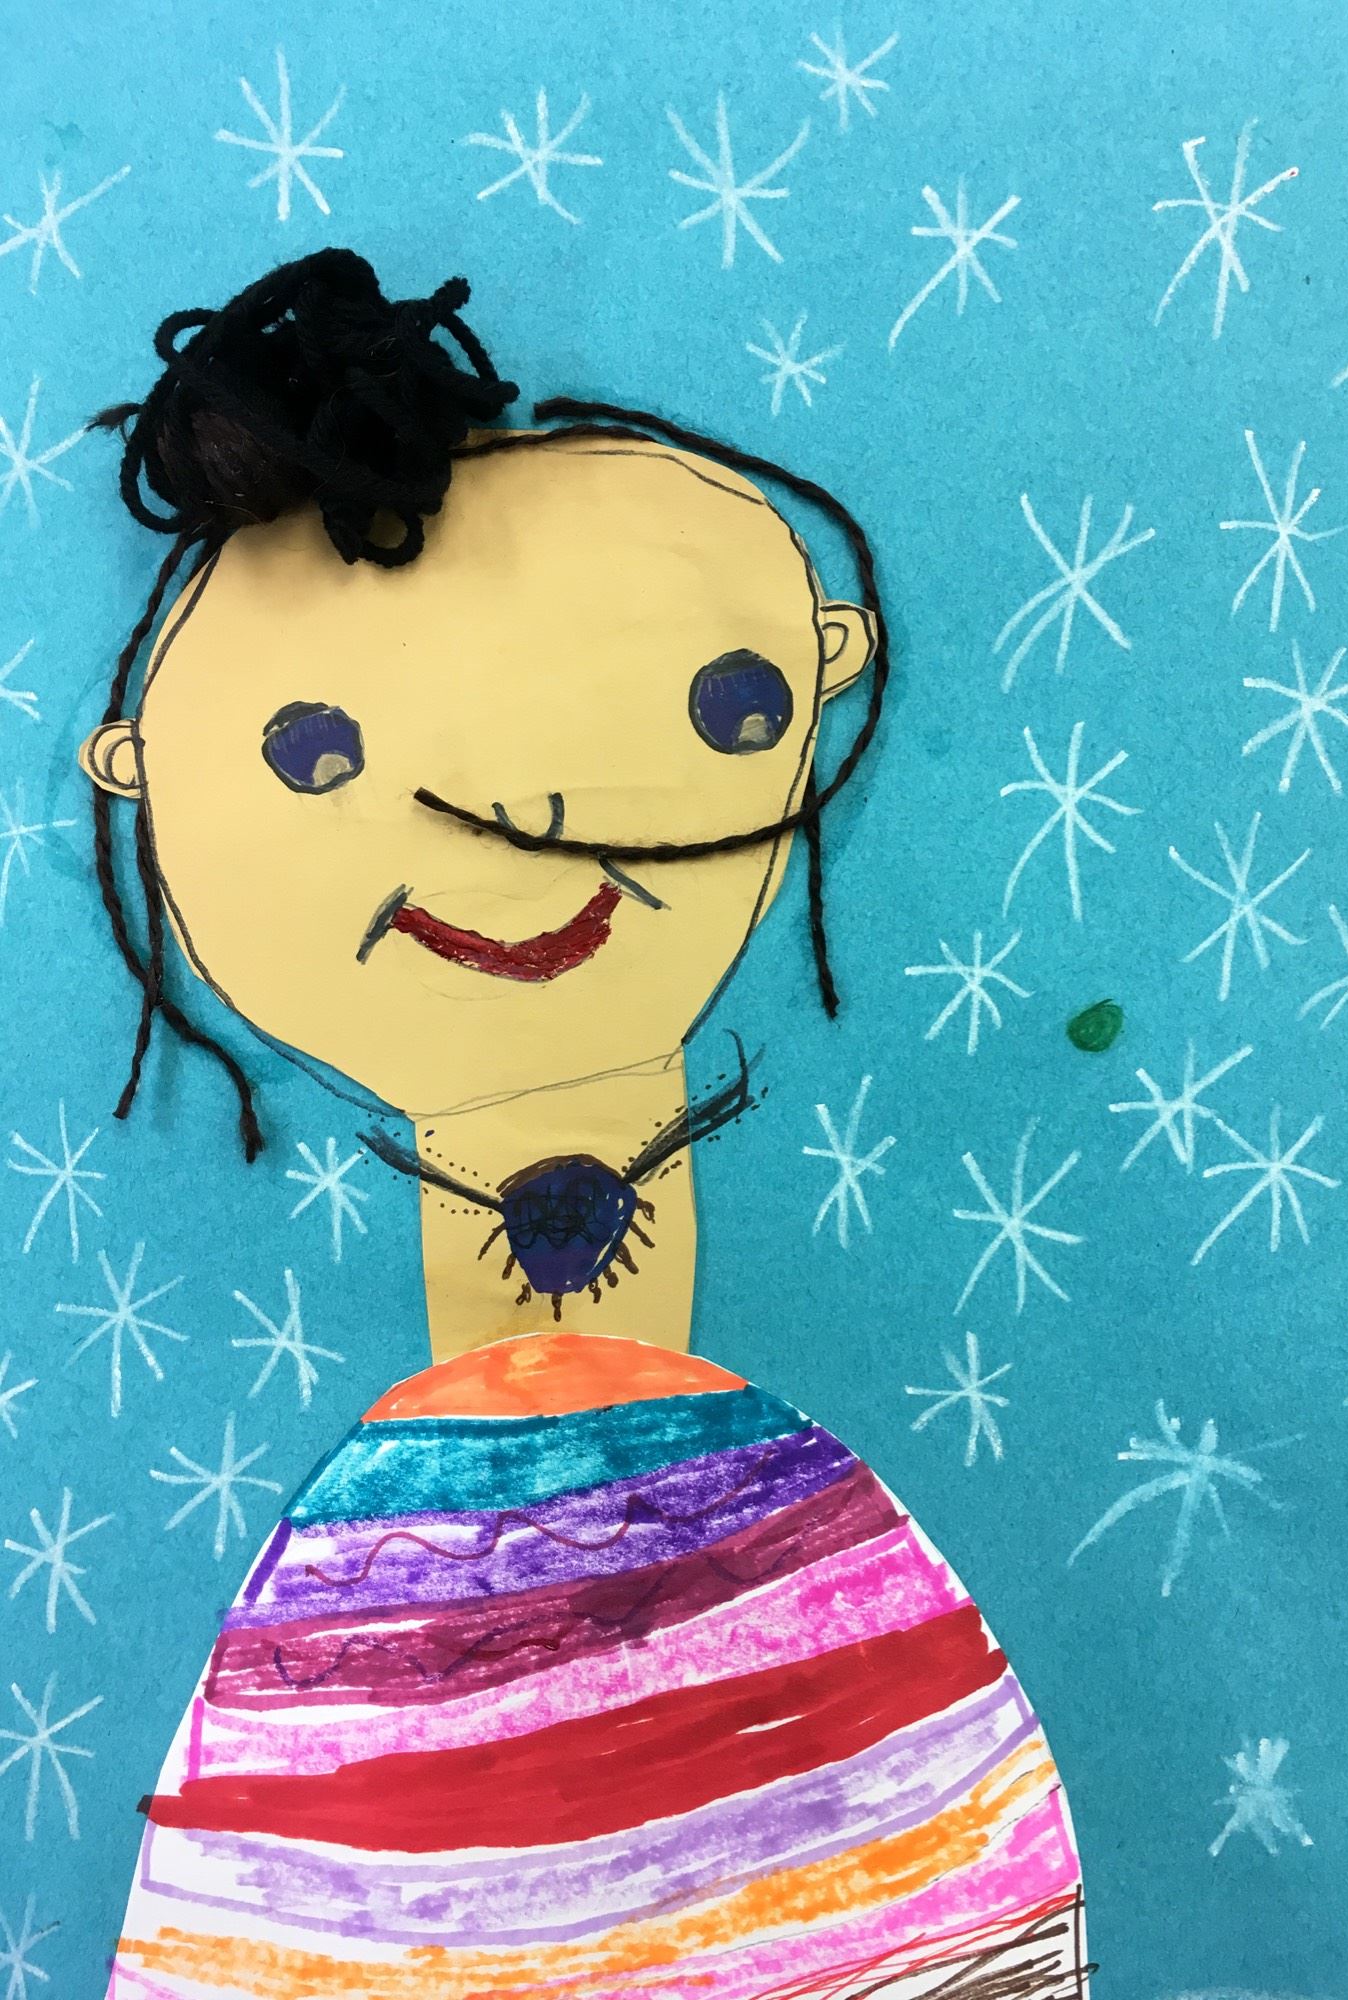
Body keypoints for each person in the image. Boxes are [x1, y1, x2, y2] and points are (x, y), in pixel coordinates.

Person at [86, 250, 1088, 1999]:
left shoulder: (781, 1540)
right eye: (309, 754)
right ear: (141, 778)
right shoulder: (363, 1589)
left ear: (824, 673)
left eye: (721, 702)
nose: (516, 812)